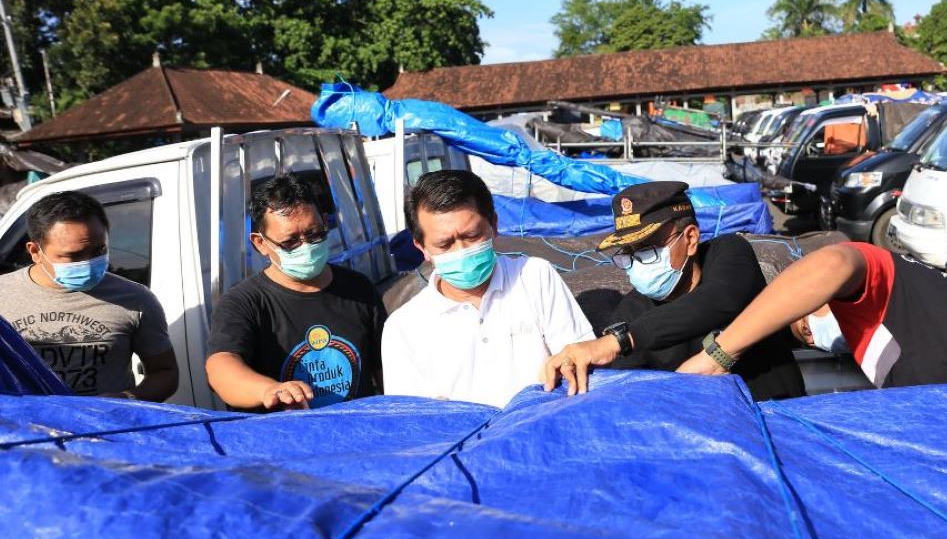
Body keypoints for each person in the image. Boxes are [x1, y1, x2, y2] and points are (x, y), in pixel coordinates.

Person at [542, 181, 806, 400]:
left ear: (690, 239)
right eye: (629, 254)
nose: (636, 264)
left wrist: (619, 341)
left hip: (781, 417)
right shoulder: (631, 313)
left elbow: (721, 299)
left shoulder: (727, 254)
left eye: (647, 249)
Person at [678, 242, 947, 386]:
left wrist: (718, 356)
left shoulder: (886, 280)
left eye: (804, 324)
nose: (812, 335)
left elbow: (833, 263)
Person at [381, 169, 594, 407]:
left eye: (472, 236)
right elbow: (411, 419)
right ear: (422, 248)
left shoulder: (535, 277)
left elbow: (579, 357)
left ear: (494, 225)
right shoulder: (403, 328)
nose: (461, 250)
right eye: (444, 244)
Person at [206, 174, 386, 411]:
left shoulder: (358, 288)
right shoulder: (243, 303)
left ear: (324, 222)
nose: (306, 247)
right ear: (260, 244)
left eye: (314, 234)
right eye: (290, 242)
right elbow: (221, 367)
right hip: (284, 442)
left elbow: (385, 368)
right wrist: (268, 390)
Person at [0, 191, 178, 400]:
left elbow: (165, 373)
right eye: (72, 256)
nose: (87, 262)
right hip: (22, 429)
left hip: (105, 428)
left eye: (98, 251)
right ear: (35, 251)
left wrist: (127, 399)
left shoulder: (136, 298)